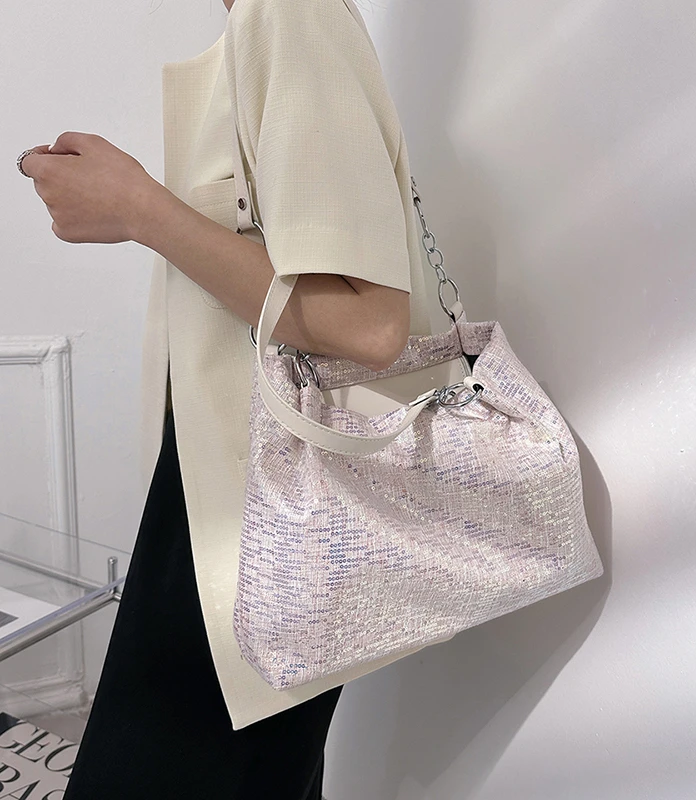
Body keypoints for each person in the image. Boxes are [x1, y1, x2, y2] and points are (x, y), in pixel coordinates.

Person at [17, 0, 433, 796]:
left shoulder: (292, 13)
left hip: (261, 523)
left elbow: (371, 324)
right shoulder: (264, 25)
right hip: (232, 499)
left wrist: (138, 207)